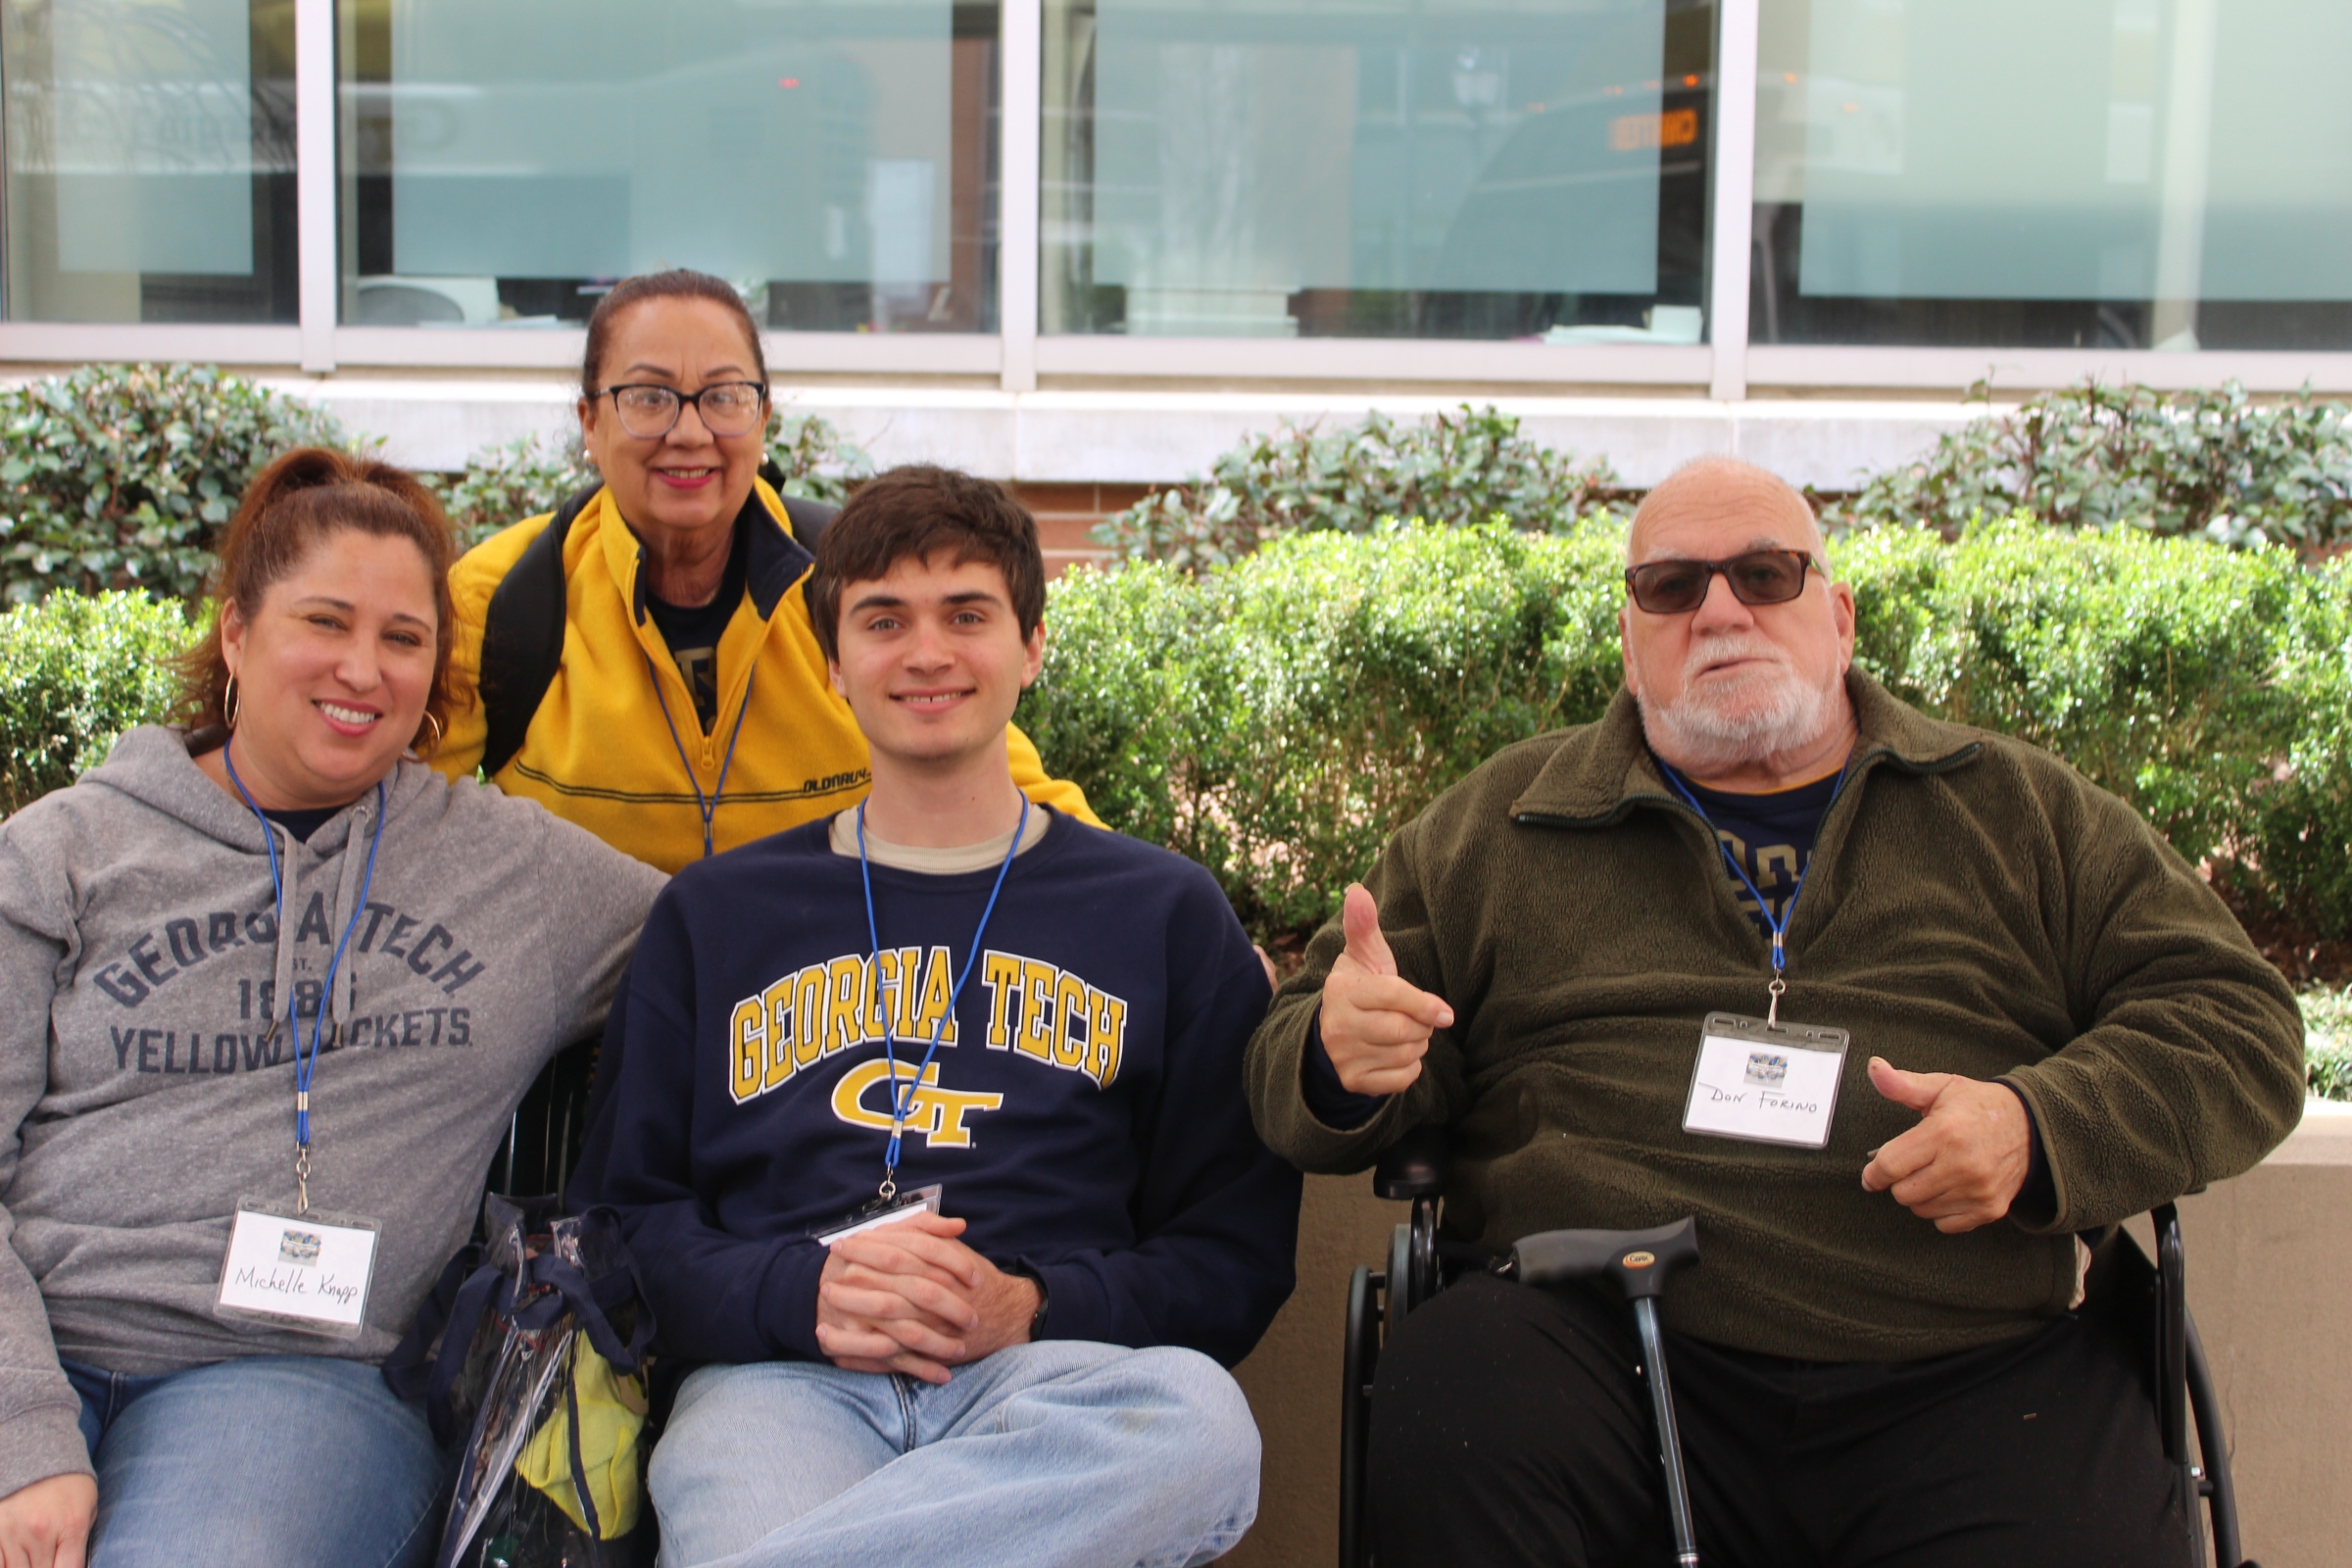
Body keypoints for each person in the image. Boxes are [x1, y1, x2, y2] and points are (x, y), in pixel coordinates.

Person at [1246, 456, 2306, 1568]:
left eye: (1764, 573)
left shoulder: (2020, 814)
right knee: (1452, 1393)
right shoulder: (1503, 826)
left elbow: (2239, 1022)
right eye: (1671, 586)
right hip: (1589, 1346)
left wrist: (2041, 1127)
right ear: (1630, 635)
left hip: (1968, 1367)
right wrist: (1336, 1053)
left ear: (1837, 615)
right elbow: (1293, 1050)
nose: (1718, 610)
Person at [569, 465, 1301, 1568]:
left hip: (1061, 1384)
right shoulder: (717, 913)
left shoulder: (1162, 911)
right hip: (781, 1380)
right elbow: (625, 1223)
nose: (926, 653)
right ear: (832, 664)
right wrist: (799, 1293)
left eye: (968, 613)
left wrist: (1033, 1304)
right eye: (884, 619)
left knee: (1200, 1428)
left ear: (1032, 645)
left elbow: (1233, 1251)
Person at [0, 450, 667, 1568]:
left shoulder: (516, 873)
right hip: (33, 1341)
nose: (363, 670)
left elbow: (742, 945)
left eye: (404, 638)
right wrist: (24, 1433)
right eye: (325, 621)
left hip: (294, 1384)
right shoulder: (66, 854)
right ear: (237, 634)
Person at [435, 268, 1093, 874]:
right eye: (648, 397)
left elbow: (1008, 792)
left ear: (763, 416)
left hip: (821, 996)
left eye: (723, 397)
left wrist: (1158, 918)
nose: (689, 432)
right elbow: (409, 833)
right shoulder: (496, 598)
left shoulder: (850, 580)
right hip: (592, 1002)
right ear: (590, 421)